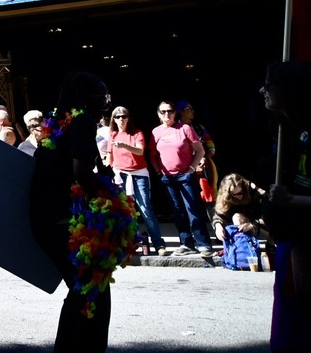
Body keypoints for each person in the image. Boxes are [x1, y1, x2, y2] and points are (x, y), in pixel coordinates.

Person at [30, 72, 126, 352]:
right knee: (93, 291)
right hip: (61, 219)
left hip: (45, 218)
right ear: (87, 98)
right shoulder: (82, 120)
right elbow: (81, 172)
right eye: (103, 96)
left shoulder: (59, 124)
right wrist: (115, 197)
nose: (106, 103)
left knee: (81, 289)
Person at [259, 62, 311, 346]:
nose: (263, 91)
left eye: (269, 84)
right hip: (296, 240)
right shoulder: (289, 129)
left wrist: (293, 200)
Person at [150, 100, 212, 256]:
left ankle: (203, 244)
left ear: (175, 113)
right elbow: (152, 155)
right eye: (163, 111)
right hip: (167, 177)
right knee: (177, 211)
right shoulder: (156, 132)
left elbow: (200, 151)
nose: (167, 114)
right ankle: (186, 243)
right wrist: (159, 171)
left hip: (185, 175)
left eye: (169, 111)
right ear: (158, 114)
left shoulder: (185, 128)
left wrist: (191, 168)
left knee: (193, 209)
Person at [108, 106, 167, 256]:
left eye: (124, 116)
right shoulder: (112, 135)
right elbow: (110, 158)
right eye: (118, 116)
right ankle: (132, 243)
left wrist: (124, 146)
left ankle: (159, 244)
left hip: (139, 174)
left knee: (145, 209)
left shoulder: (136, 133)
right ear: (113, 119)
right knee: (126, 211)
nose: (121, 119)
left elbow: (140, 151)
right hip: (120, 175)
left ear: (128, 118)